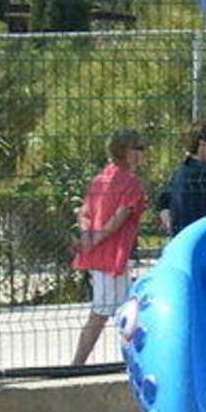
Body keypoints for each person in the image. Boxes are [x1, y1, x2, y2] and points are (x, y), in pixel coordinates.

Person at [71, 129, 147, 366]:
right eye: (139, 148)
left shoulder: (100, 179)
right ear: (126, 152)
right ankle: (76, 365)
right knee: (105, 313)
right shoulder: (131, 183)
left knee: (122, 311)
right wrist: (96, 240)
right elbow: (118, 219)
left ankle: (128, 361)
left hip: (98, 255)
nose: (144, 152)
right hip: (113, 257)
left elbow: (84, 213)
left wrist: (87, 238)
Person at [158, 123, 206, 236]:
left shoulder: (179, 173)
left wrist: (165, 214)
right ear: (202, 144)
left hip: (182, 240)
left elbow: (164, 201)